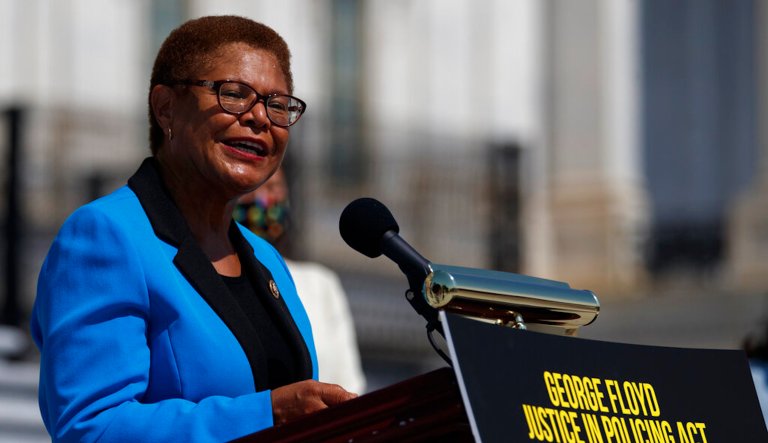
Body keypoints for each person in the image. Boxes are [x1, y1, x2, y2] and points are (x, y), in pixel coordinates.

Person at [30, 15, 356, 442]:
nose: (260, 117)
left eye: (278, 104)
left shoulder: (267, 261)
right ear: (165, 106)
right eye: (234, 94)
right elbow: (92, 429)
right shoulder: (106, 237)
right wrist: (266, 414)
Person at [234, 165, 367, 394]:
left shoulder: (320, 284)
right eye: (252, 187)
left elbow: (349, 382)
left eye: (273, 186)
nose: (263, 198)